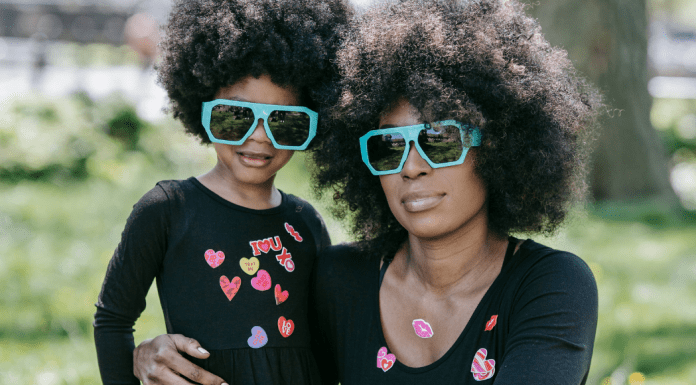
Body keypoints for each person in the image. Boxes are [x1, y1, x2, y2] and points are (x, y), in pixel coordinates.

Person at [131, 0, 602, 383]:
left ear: (497, 147)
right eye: (388, 146)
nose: (411, 167)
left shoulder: (551, 286)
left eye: (440, 140)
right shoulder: (340, 279)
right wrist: (153, 358)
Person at [92, 0, 350, 384]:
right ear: (202, 107)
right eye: (236, 115)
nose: (259, 135)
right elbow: (113, 319)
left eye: (286, 121)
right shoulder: (166, 211)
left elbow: (324, 345)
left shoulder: (306, 223)